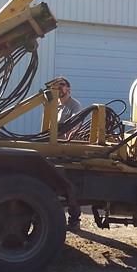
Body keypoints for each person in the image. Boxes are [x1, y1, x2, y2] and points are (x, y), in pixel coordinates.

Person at [49, 76, 83, 229]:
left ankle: (74, 220)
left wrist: (68, 138)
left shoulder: (74, 106)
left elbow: (76, 125)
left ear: (68, 89)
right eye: (56, 86)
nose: (59, 88)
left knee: (70, 186)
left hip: (67, 151)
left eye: (62, 85)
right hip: (56, 149)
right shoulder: (56, 106)